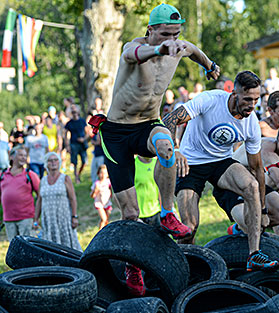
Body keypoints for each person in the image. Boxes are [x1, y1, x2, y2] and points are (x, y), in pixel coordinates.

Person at [87, 3, 220, 296]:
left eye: (175, 34)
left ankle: (167, 212)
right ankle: (132, 267)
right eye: (164, 34)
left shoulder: (179, 46)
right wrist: (159, 50)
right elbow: (134, 54)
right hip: (118, 134)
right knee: (131, 213)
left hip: (148, 124)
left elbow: (195, 50)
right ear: (150, 30)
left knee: (166, 146)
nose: (171, 40)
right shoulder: (134, 48)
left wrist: (209, 66)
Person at [163, 70, 279, 271]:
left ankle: (254, 254)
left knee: (251, 185)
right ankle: (178, 268)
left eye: (256, 99)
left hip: (220, 162)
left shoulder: (251, 122)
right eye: (247, 99)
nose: (252, 105)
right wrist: (175, 149)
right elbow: (171, 119)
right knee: (189, 228)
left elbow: (257, 168)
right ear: (234, 94)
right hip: (191, 163)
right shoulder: (210, 99)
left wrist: (261, 210)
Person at [33, 152, 81, 251]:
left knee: (67, 246)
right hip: (48, 220)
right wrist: (36, 219)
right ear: (46, 164)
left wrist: (74, 216)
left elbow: (73, 199)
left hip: (63, 218)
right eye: (50, 160)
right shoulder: (43, 180)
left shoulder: (65, 178)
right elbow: (39, 201)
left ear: (59, 163)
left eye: (56, 160)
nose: (53, 162)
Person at [0, 146, 40, 241]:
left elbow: (40, 196)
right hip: (8, 219)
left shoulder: (30, 175)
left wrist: (36, 218)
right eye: (20, 155)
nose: (23, 158)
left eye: (25, 156)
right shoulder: (2, 175)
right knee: (14, 248)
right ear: (12, 157)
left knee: (27, 248)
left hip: (26, 218)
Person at [65, 105, 88, 183]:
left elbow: (87, 132)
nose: (74, 113)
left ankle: (79, 174)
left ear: (78, 112)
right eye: (73, 112)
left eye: (75, 112)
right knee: (74, 162)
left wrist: (84, 139)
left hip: (82, 144)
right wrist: (67, 145)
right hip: (73, 144)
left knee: (84, 161)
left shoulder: (82, 121)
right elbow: (66, 135)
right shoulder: (69, 123)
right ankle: (76, 177)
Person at [135, 156, 161, 225]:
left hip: (156, 212)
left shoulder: (156, 164)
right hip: (138, 215)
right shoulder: (133, 164)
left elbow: (161, 189)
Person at [90, 165, 113, 230]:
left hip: (107, 203)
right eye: (101, 173)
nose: (103, 175)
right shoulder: (97, 184)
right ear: (98, 174)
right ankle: (99, 232)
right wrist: (95, 190)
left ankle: (106, 231)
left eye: (105, 173)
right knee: (104, 218)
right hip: (99, 203)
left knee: (106, 220)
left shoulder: (108, 182)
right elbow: (92, 196)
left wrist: (111, 196)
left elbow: (110, 190)